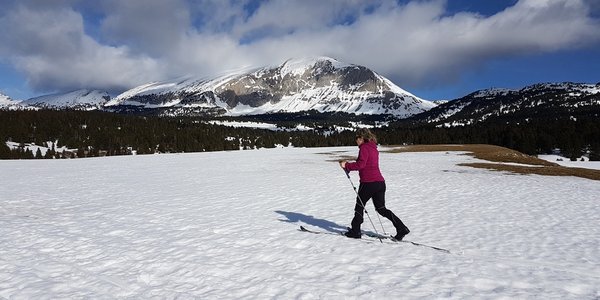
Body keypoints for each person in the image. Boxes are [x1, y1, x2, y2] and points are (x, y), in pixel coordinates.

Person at [339, 128, 410, 240]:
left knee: (359, 206)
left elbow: (361, 165)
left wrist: (346, 165)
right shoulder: (374, 148)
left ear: (361, 138)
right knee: (382, 209)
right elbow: (367, 165)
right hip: (380, 183)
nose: (356, 141)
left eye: (356, 138)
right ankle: (401, 228)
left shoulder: (364, 148)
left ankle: (355, 231)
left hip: (368, 183)